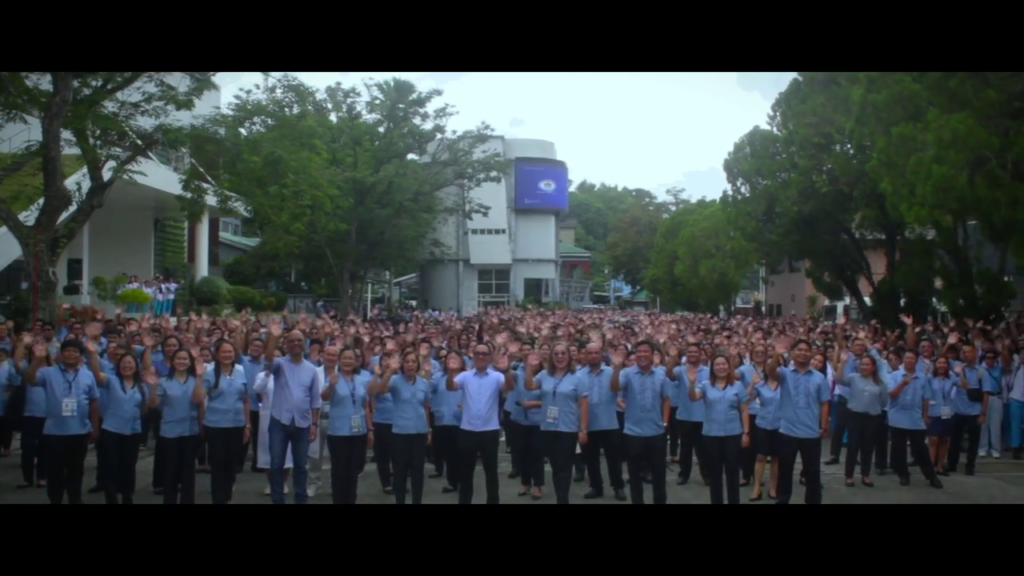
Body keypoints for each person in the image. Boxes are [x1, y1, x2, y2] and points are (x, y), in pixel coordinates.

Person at [23, 340, 100, 504]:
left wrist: (95, 427)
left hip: (79, 431)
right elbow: (29, 379)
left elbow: (93, 401)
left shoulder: (87, 374)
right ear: (60, 353)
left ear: (80, 356)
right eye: (67, 351)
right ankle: (55, 499)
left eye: (75, 351)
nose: (71, 354)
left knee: (76, 471)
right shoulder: (48, 372)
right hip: (54, 432)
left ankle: (75, 499)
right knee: (55, 472)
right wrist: (37, 360)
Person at [445, 342, 514, 504]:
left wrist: (506, 370)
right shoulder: (465, 376)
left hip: (489, 431)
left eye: (484, 354)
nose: (481, 356)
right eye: (478, 354)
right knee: (465, 473)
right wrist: (450, 372)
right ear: (473, 356)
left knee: (491, 473)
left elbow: (509, 387)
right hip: (467, 431)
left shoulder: (497, 376)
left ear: (490, 357)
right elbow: (451, 387)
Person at [263, 320, 322, 504]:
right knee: (276, 464)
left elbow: (315, 400)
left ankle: (300, 500)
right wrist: (273, 337)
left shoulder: (311, 369)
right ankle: (278, 500)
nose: (296, 343)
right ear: (286, 345)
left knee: (301, 466)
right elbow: (268, 361)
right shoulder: (280, 364)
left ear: (304, 343)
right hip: (280, 421)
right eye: (292, 341)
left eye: (299, 340)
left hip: (303, 423)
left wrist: (314, 424)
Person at [766, 340, 830, 505]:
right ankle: (783, 500)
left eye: (806, 350)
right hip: (787, 431)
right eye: (799, 350)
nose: (803, 353)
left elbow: (824, 403)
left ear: (811, 353)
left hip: (811, 432)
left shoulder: (819, 377)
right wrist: (777, 354)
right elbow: (770, 371)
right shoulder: (785, 373)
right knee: (785, 471)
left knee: (812, 473)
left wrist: (823, 426)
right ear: (793, 353)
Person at [84, 341, 147, 504]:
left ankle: (127, 496)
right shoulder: (112, 381)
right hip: (111, 430)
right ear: (118, 366)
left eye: (130, 363)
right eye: (123, 363)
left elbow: (145, 409)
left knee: (129, 467)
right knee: (110, 466)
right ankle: (111, 498)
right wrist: (92, 354)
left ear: (136, 366)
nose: (127, 366)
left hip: (133, 431)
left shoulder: (141, 386)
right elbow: (97, 375)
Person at [525, 343, 588, 504]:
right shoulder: (544, 375)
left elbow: (583, 404)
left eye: (563, 354)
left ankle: (562, 499)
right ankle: (561, 497)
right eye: (556, 354)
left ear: (569, 356)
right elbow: (529, 386)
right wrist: (529, 369)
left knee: (564, 467)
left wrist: (583, 429)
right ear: (552, 357)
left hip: (568, 428)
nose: (560, 357)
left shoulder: (578, 377)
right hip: (547, 427)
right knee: (555, 466)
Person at [610, 340, 671, 504]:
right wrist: (616, 368)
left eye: (646, 351)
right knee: (635, 476)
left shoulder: (660, 374)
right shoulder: (626, 373)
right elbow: (615, 388)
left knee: (659, 475)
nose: (642, 355)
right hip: (633, 432)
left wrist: (665, 423)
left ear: (653, 355)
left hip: (657, 432)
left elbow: (666, 400)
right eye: (639, 352)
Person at [191, 339, 250, 504]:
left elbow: (246, 401)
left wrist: (247, 425)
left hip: (237, 425)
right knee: (218, 466)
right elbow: (198, 398)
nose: (227, 355)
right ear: (217, 355)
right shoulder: (209, 373)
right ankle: (218, 499)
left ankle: (228, 497)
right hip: (215, 426)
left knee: (232, 466)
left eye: (230, 352)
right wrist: (199, 377)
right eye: (223, 352)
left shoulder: (240, 371)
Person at [688, 354, 750, 504]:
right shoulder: (705, 384)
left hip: (733, 434)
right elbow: (693, 397)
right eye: (717, 365)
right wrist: (691, 383)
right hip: (711, 434)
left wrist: (746, 433)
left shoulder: (737, 385)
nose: (721, 367)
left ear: (729, 367)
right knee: (715, 473)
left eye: (724, 364)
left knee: (732, 472)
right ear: (712, 368)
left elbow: (744, 410)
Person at [372, 351, 431, 504]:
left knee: (418, 471)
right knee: (400, 472)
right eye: (407, 362)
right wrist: (390, 371)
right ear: (402, 365)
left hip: (419, 432)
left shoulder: (424, 383)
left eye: (413, 361)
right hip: (400, 432)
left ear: (417, 364)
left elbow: (425, 407)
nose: (410, 364)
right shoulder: (395, 380)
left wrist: (429, 429)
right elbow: (381, 390)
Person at [148, 348, 201, 504]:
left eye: (185, 359)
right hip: (169, 431)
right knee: (170, 471)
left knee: (188, 472)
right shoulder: (164, 381)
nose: (182, 361)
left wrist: (199, 376)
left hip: (190, 430)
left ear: (189, 362)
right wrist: (152, 386)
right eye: (178, 358)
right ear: (173, 361)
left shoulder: (195, 380)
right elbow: (154, 404)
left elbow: (198, 400)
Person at [321, 346, 372, 504]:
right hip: (338, 433)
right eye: (345, 358)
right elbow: (324, 397)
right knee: (339, 472)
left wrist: (370, 429)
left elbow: (365, 406)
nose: (348, 361)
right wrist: (331, 385)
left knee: (354, 472)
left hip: (358, 432)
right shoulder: (333, 377)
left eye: (351, 358)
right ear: (339, 360)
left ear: (356, 362)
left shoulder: (363, 380)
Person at [887, 349, 943, 488]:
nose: (909, 361)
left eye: (912, 358)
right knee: (899, 448)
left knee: (920, 448)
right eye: (906, 358)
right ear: (903, 360)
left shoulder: (922, 378)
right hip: (898, 415)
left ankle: (931, 476)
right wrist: (902, 384)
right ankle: (903, 475)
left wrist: (925, 416)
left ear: (916, 361)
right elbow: (891, 394)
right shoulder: (895, 375)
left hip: (915, 417)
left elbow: (926, 398)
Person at [579, 343, 626, 501]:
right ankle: (596, 487)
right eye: (590, 353)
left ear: (601, 355)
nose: (593, 356)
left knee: (614, 459)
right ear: (585, 355)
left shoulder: (611, 371)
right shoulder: (579, 374)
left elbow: (616, 389)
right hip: (588, 424)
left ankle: (618, 487)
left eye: (596, 353)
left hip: (609, 423)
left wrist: (617, 369)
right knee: (591, 460)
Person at [836, 353, 888, 488]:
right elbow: (839, 380)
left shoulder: (879, 382)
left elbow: (883, 401)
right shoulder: (853, 378)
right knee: (853, 447)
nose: (863, 367)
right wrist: (841, 363)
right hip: (854, 416)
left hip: (872, 418)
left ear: (873, 367)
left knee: (868, 447)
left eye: (867, 364)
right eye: (862, 364)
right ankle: (849, 476)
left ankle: (865, 475)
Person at [666, 343, 709, 486]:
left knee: (703, 450)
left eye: (695, 352)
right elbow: (670, 374)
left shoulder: (708, 371)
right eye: (689, 352)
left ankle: (706, 475)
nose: (692, 354)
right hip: (684, 415)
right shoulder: (680, 370)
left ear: (700, 354)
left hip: (703, 415)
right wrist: (672, 358)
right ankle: (684, 474)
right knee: (685, 448)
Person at [253, 369, 293, 496]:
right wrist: (267, 374)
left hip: (286, 416)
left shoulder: (290, 374)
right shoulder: (262, 375)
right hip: (267, 416)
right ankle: (271, 483)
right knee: (266, 450)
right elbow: (257, 389)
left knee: (286, 451)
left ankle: (283, 482)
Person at [946, 343, 984, 475]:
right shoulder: (957, 366)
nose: (966, 354)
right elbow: (941, 357)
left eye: (969, 352)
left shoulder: (981, 371)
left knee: (973, 441)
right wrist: (948, 343)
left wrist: (983, 413)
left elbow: (985, 394)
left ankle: (970, 465)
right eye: (964, 352)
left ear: (976, 353)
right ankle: (951, 464)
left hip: (974, 410)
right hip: (958, 409)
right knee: (954, 439)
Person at [429, 352, 463, 495]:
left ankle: (464, 481)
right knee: (449, 454)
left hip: (463, 420)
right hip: (443, 420)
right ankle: (452, 482)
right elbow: (428, 393)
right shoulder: (438, 377)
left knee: (464, 453)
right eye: (449, 359)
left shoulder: (467, 377)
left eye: (455, 358)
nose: (452, 361)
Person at [747, 365, 780, 501]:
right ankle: (756, 488)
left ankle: (773, 487)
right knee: (760, 457)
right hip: (762, 424)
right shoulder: (760, 385)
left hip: (780, 425)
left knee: (776, 458)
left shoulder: (785, 385)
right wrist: (752, 384)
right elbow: (747, 398)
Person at [926, 356, 957, 476]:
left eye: (944, 363)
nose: (942, 365)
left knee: (944, 439)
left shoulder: (952, 377)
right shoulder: (930, 377)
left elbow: (964, 385)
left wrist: (961, 373)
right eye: (939, 363)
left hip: (947, 410)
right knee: (933, 439)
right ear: (936, 364)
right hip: (933, 410)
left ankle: (940, 466)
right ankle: (930, 468)